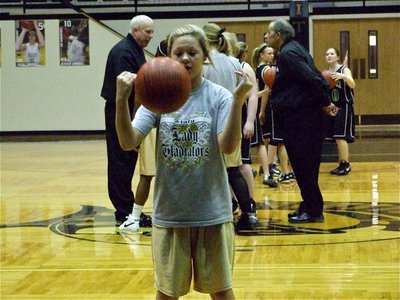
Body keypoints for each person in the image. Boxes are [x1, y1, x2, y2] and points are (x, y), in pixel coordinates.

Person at [115, 24, 252, 300]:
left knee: (222, 293)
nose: (186, 58)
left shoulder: (219, 96)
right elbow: (128, 142)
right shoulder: (157, 96)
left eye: (193, 52)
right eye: (179, 53)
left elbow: (228, 147)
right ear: (169, 57)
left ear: (205, 56)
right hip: (170, 215)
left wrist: (238, 101)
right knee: (166, 294)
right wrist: (121, 101)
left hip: (212, 213)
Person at [265, 19, 338, 223]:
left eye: (269, 33)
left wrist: (325, 102)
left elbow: (313, 78)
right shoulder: (295, 49)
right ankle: (308, 205)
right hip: (302, 117)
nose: (266, 36)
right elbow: (314, 75)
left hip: (301, 119)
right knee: (305, 165)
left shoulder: (288, 54)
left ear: (279, 35)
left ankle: (314, 210)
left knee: (304, 164)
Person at [100, 15, 154, 227]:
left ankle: (127, 209)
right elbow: (128, 89)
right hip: (121, 111)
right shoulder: (124, 51)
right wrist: (132, 122)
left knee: (127, 161)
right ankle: (124, 211)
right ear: (136, 30)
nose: (151, 36)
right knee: (121, 162)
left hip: (130, 111)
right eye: (148, 32)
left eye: (152, 32)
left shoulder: (134, 48)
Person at [203, 24, 258, 230]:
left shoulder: (203, 63)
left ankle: (212, 211)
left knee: (208, 171)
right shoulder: (235, 62)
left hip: (208, 121)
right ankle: (249, 213)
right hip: (230, 121)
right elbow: (244, 93)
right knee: (234, 170)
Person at [119, 38, 168, 232]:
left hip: (169, 124)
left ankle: (138, 216)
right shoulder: (150, 71)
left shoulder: (179, 73)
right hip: (152, 125)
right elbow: (139, 99)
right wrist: (135, 127)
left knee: (153, 175)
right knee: (147, 175)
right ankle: (134, 217)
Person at [324, 47, 356, 175]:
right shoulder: (326, 73)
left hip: (344, 106)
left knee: (341, 136)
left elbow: (353, 84)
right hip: (333, 107)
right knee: (336, 137)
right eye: (327, 54)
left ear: (337, 57)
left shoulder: (344, 69)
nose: (329, 56)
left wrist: (343, 76)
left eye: (331, 53)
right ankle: (341, 163)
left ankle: (345, 163)